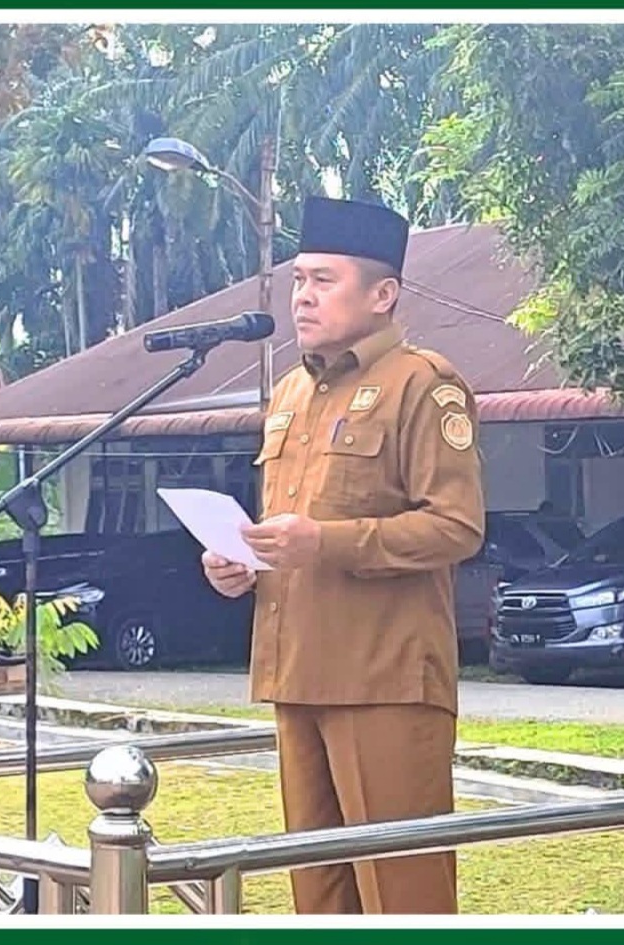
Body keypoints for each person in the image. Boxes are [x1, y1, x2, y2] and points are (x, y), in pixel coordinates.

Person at [201, 196, 485, 914]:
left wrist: (323, 543)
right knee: (317, 894)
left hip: (383, 676)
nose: (302, 296)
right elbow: (288, 530)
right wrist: (241, 562)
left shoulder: (422, 383)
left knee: (401, 896)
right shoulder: (290, 392)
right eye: (298, 280)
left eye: (323, 280)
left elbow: (456, 526)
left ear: (382, 294)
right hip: (297, 671)